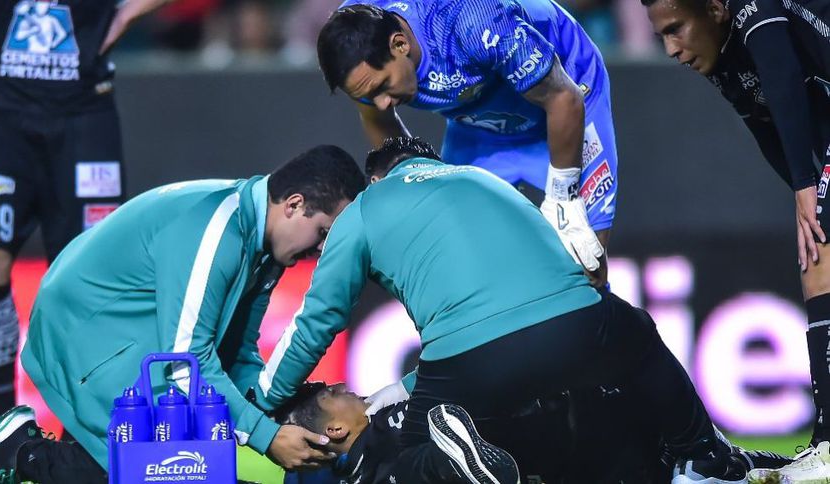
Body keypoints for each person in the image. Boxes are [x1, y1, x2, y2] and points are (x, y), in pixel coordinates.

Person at [253, 136, 755, 484]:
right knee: (638, 339)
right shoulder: (481, 179)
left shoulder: (366, 209)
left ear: (377, 180)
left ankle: (448, 463)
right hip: (576, 325)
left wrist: (258, 410)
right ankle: (706, 458)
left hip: (469, 360)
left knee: (409, 456)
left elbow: (317, 323)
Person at [0, 146, 366, 484]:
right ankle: (22, 453)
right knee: (168, 463)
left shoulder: (262, 246)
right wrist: (265, 436)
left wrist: (273, 419)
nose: (322, 249)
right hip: (84, 329)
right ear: (294, 204)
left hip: (117, 332)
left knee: (183, 449)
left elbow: (238, 351)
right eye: (323, 233)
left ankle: (32, 454)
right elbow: (182, 363)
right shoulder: (220, 231)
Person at [638, 0, 830, 479]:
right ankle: (825, 441)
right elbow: (763, 125)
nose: (671, 49)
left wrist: (806, 188)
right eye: (662, 37)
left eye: (676, 28)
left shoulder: (753, 9)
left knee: (818, 254)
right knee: (817, 256)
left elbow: (783, 79)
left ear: (715, 9)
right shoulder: (722, 61)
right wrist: (804, 195)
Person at [0, 0, 181, 424]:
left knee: (89, 280)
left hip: (83, 114)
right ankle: (4, 425)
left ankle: (80, 428)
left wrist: (129, 12)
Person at [316, 0, 615, 286]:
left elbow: (563, 98)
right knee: (464, 257)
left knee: (586, 262)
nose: (381, 103)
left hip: (568, 91)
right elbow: (380, 122)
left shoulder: (475, 20)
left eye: (383, 86)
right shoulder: (354, 41)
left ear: (400, 44)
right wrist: (415, 193)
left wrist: (564, 197)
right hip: (478, 124)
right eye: (368, 95)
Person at [273, 381, 794, 484]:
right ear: (334, 427)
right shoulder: (383, 424)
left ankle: (754, 466)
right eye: (332, 392)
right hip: (545, 438)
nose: (344, 386)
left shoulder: (389, 411)